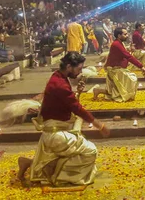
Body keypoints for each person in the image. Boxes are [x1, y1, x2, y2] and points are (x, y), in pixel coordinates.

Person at [16, 52, 110, 186]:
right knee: (91, 151)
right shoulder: (60, 85)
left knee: (77, 148)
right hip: (56, 134)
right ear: (68, 66)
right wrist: (99, 125)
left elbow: (66, 103)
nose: (79, 73)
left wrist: (77, 93)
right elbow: (76, 108)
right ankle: (57, 176)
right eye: (78, 69)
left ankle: (30, 164)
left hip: (57, 128)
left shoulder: (58, 76)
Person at [94, 28, 145, 102]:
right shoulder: (116, 44)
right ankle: (98, 90)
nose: (127, 35)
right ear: (119, 35)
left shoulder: (119, 42)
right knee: (132, 80)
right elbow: (128, 56)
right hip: (115, 69)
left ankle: (98, 90)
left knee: (117, 90)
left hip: (119, 68)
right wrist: (141, 66)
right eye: (125, 34)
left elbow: (125, 54)